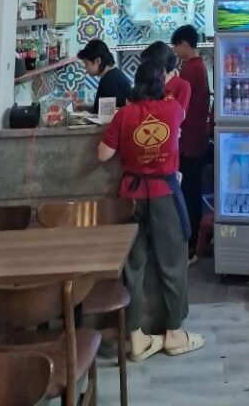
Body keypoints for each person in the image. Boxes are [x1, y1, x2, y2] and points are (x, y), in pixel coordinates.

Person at [98, 41, 204, 361]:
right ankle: (173, 333)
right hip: (164, 194)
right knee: (173, 262)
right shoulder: (173, 110)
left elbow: (102, 154)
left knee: (132, 265)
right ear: (161, 83)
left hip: (130, 196)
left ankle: (136, 338)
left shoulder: (125, 115)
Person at [171, 24, 210, 262]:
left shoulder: (190, 71)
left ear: (185, 44)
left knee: (189, 194)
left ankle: (192, 246)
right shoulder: (198, 67)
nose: (175, 50)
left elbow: (176, 108)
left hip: (190, 143)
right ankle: (194, 243)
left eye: (176, 45)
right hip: (197, 140)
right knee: (191, 192)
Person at [77, 39, 131, 114]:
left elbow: (105, 115)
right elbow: (101, 109)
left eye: (86, 63)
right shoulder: (112, 76)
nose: (85, 67)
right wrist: (81, 107)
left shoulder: (110, 81)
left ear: (98, 61)